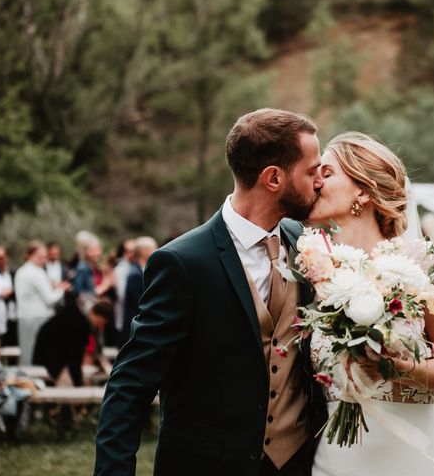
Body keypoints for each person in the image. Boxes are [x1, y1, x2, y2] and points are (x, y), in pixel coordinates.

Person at [95, 108, 326, 475]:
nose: (320, 181)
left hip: (298, 463)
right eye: (312, 171)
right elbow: (130, 384)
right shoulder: (182, 263)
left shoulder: (306, 245)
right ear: (273, 178)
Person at [306, 132, 434, 476]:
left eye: (327, 174)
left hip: (411, 453)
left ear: (362, 190)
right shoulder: (311, 266)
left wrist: (401, 368)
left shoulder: (422, 264)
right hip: (334, 457)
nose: (315, 182)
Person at [33, 294, 114, 386]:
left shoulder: (82, 314)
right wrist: (78, 383)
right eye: (100, 323)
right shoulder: (76, 321)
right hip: (49, 354)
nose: (100, 326)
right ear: (93, 313)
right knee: (67, 384)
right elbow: (74, 356)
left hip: (58, 354)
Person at [14, 241, 70, 366]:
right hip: (38, 319)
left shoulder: (21, 271)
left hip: (24, 318)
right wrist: (62, 289)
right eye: (40, 256)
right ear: (30, 255)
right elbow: (50, 299)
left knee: (27, 353)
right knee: (37, 355)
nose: (44, 260)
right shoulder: (37, 272)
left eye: (45, 257)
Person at [119, 237, 157, 346]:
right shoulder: (135, 274)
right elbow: (139, 302)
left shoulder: (139, 270)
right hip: (135, 327)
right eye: (154, 248)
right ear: (144, 252)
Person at [113, 239, 135, 335]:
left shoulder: (135, 266)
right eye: (130, 251)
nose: (133, 254)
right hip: (124, 318)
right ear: (124, 253)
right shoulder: (121, 269)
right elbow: (121, 294)